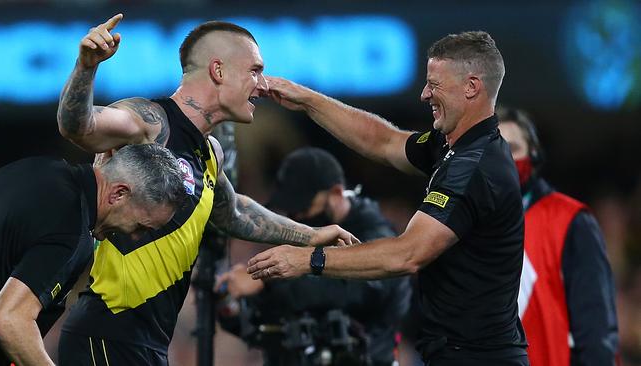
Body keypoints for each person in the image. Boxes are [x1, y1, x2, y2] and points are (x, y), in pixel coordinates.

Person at [55, 14, 358, 365]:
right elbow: (77, 125)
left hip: (148, 341)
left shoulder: (209, 152)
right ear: (218, 70)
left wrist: (313, 235)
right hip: (107, 331)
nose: (262, 85)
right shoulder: (151, 123)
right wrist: (86, 66)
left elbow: (236, 212)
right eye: (255, 70)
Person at [247, 31, 530, 365]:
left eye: (434, 84)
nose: (425, 94)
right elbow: (383, 141)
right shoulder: (453, 145)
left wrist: (308, 259)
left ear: (471, 87)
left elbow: (407, 254)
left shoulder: (474, 168)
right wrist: (309, 100)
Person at [0, 143, 187, 366]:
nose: (135, 237)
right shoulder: (71, 229)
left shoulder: (35, 169)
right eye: (140, 227)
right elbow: (9, 320)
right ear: (119, 193)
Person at [216, 147, 411, 366]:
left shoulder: (376, 235)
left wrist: (266, 282)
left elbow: (356, 291)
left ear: (336, 194)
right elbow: (265, 320)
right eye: (291, 209)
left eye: (304, 206)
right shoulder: (302, 235)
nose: (296, 216)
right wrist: (232, 301)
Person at [497, 107, 619, 366]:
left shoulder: (570, 220)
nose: (505, 159)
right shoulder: (462, 224)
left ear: (534, 154)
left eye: (514, 148)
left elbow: (595, 322)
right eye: (496, 149)